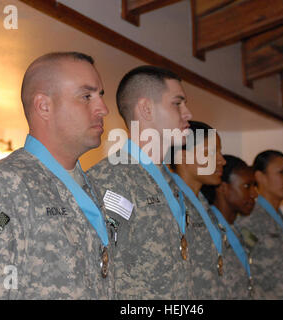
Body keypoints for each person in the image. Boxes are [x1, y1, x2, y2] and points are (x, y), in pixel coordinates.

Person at [0, 52, 114, 299]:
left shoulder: (93, 190)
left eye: (100, 96)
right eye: (86, 96)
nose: (103, 109)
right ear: (44, 106)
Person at [88, 65, 194, 299]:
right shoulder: (111, 178)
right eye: (177, 103)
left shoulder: (170, 182)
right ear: (146, 108)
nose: (188, 114)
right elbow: (96, 270)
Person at [168, 120, 226, 299]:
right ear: (183, 156)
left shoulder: (203, 204)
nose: (222, 160)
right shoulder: (169, 204)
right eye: (211, 152)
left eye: (220, 152)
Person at [236, 150, 283, 299]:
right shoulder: (249, 219)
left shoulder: (280, 218)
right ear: (259, 177)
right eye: (281, 173)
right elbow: (240, 269)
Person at [202, 155, 258, 299]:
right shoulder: (208, 229)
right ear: (223, 188)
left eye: (254, 186)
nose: (254, 194)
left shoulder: (235, 228)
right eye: (247, 186)